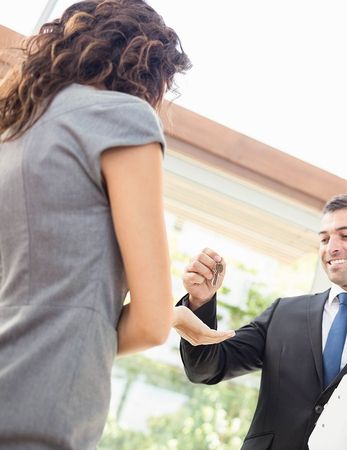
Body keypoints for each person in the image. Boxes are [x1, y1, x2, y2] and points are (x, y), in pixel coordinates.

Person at [0, 1, 227, 448]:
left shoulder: (15, 133)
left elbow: (39, 295)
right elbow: (148, 323)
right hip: (36, 409)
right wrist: (164, 313)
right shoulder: (120, 118)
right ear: (150, 70)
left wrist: (172, 312)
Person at [173, 193, 347, 450]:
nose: (332, 247)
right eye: (324, 238)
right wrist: (200, 303)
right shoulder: (284, 313)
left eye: (345, 235)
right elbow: (206, 368)